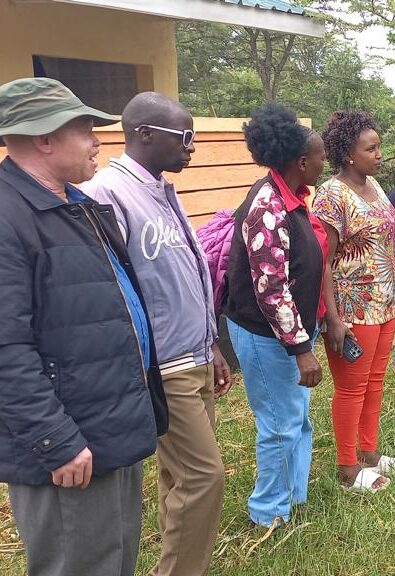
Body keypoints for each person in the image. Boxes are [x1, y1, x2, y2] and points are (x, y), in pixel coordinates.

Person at [0, 77, 166, 576]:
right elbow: (7, 348)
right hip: (70, 446)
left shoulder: (76, 205)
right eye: (86, 128)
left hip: (109, 426)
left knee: (114, 560)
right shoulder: (9, 217)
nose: (98, 140)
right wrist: (56, 440)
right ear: (44, 138)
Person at [80, 92, 229, 576]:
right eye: (184, 138)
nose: (192, 148)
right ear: (144, 133)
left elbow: (183, 274)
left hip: (195, 354)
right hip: (164, 365)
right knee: (204, 476)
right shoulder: (108, 193)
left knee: (178, 476)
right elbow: (115, 291)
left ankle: (176, 557)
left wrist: (212, 345)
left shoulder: (161, 188)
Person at [224, 104, 327, 528]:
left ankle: (292, 497)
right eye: (321, 157)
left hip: (289, 332)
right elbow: (271, 289)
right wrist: (301, 348)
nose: (326, 163)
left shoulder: (294, 196)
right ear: (301, 162)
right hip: (266, 334)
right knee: (280, 423)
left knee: (296, 417)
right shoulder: (267, 205)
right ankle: (268, 512)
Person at [314, 109, 395, 492]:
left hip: (386, 301)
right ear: (347, 154)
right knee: (352, 387)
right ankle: (347, 467)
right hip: (352, 307)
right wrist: (332, 318)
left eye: (378, 147)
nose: (378, 155)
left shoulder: (373, 187)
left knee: (374, 383)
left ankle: (369, 453)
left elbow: (385, 242)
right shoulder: (332, 195)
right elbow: (323, 260)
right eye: (370, 149)